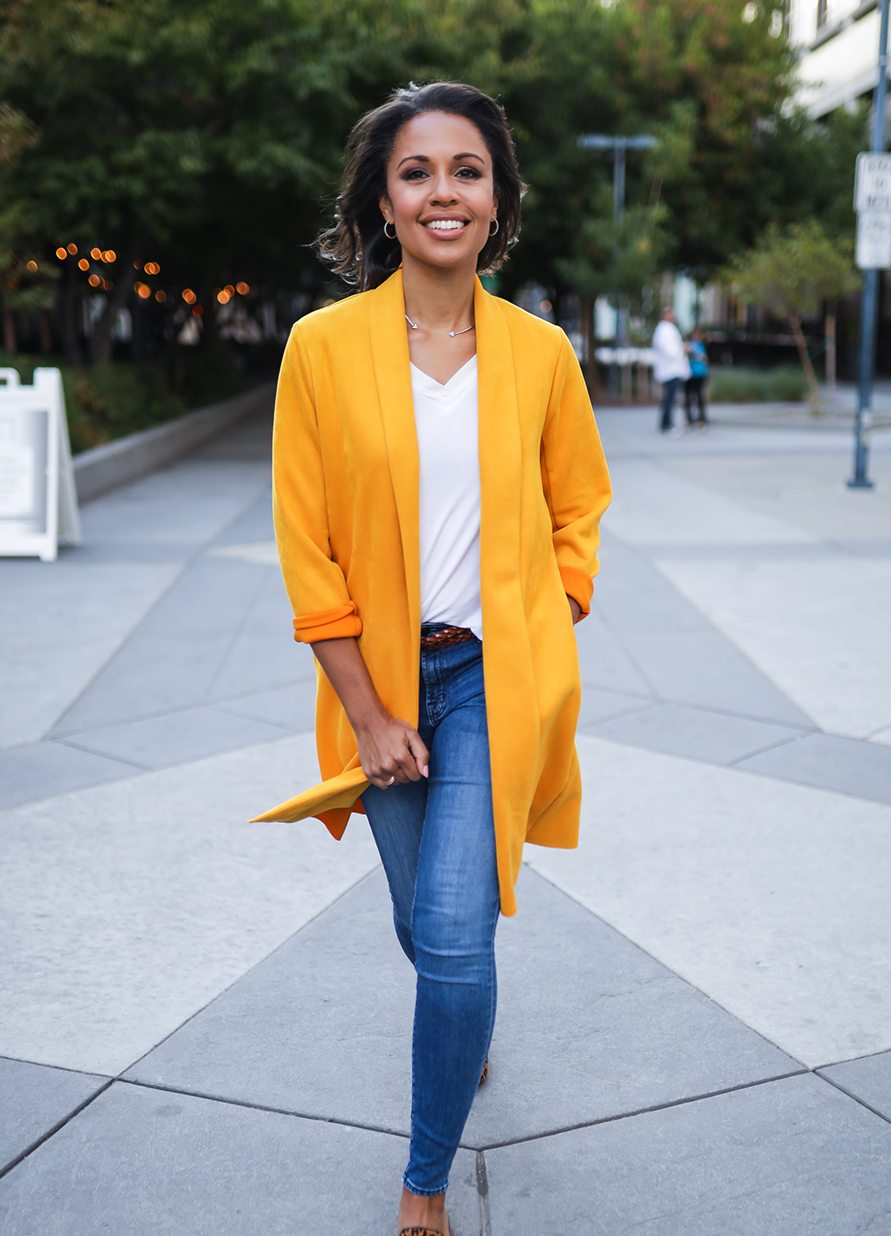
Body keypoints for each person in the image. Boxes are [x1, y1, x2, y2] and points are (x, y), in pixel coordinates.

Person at [252, 82, 611, 1236]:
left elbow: (579, 506)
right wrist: (365, 712)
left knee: (454, 937)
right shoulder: (320, 349)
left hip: (497, 677)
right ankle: (468, 1025)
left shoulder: (541, 353)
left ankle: (421, 1183)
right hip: (379, 678)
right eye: (416, 173)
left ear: (496, 199)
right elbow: (306, 549)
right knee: (428, 933)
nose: (442, 191)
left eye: (467, 169)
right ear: (382, 200)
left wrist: (552, 608)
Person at [651, 306, 691, 433]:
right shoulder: (664, 330)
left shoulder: (667, 329)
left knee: (671, 398)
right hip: (670, 370)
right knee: (670, 398)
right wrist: (682, 350)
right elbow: (669, 351)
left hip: (673, 369)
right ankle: (666, 424)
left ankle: (667, 423)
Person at [684, 326, 709, 429]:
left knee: (700, 397)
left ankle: (701, 419)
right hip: (689, 374)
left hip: (700, 374)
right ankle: (689, 419)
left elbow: (706, 359)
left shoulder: (702, 345)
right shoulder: (687, 345)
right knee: (688, 398)